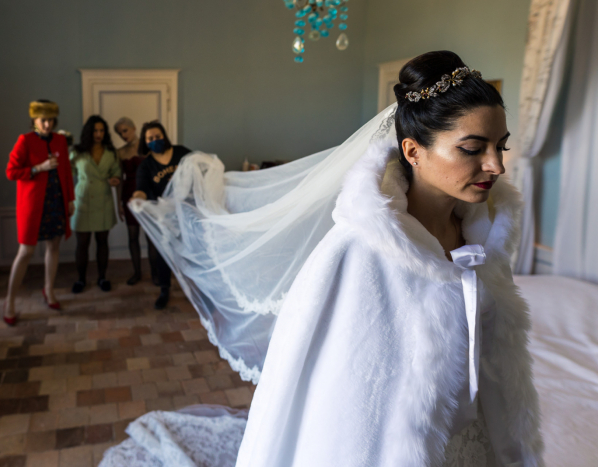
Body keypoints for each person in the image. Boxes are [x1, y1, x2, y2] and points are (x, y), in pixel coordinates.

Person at [104, 51, 544, 467]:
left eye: (500, 146)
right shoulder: (356, 251)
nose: (496, 166)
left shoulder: (486, 238)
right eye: (473, 148)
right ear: (413, 151)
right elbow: (337, 395)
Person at [4, 100, 75, 325]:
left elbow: (66, 172)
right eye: (43, 120)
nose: (47, 124)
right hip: (34, 205)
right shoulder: (24, 141)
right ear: (34, 120)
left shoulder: (61, 140)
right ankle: (10, 301)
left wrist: (70, 199)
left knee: (54, 245)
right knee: (25, 252)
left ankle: (49, 290)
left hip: (56, 202)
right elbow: (11, 172)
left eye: (51, 120)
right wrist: (38, 168)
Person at [131, 121, 192, 309]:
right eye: (150, 138)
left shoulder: (181, 153)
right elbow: (141, 189)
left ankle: (199, 289)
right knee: (164, 252)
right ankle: (165, 289)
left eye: (158, 136)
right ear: (145, 142)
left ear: (164, 136)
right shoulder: (146, 166)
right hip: (165, 217)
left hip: (188, 211)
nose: (155, 140)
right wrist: (136, 199)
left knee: (193, 250)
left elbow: (198, 169)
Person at [70, 115, 122, 293]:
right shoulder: (77, 152)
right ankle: (81, 280)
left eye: (101, 130)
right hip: (83, 201)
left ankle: (102, 278)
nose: (98, 134)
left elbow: (116, 173)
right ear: (88, 132)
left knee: (102, 241)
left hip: (104, 199)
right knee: (82, 243)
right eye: (95, 130)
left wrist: (114, 179)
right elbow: (67, 175)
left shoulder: (111, 152)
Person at [114, 117, 159, 286]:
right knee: (132, 236)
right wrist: (118, 202)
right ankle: (137, 272)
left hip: (148, 194)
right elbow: (119, 179)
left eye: (125, 130)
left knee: (151, 236)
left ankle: (155, 273)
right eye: (120, 133)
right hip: (128, 194)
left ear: (133, 127)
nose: (123, 135)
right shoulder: (120, 152)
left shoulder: (148, 146)